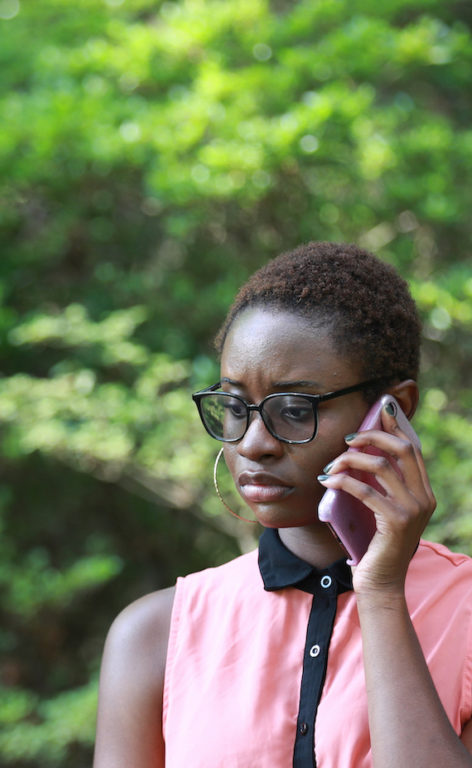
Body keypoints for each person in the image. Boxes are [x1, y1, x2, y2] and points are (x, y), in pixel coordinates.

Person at [93, 242, 472, 768]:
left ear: (393, 411)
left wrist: (382, 592)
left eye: (294, 409)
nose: (253, 443)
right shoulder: (154, 636)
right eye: (235, 405)